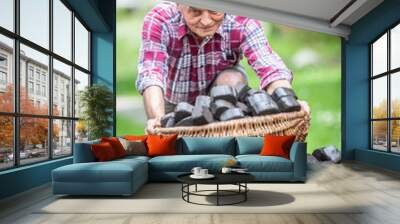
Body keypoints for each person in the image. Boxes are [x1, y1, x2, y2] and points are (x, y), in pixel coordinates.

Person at [136, 1, 310, 134]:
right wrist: (157, 119)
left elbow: (268, 65)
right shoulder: (160, 19)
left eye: (214, 10)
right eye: (195, 10)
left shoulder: (243, 19)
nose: (205, 21)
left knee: (233, 79)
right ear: (179, 5)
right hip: (174, 101)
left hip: (222, 102)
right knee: (173, 148)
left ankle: (229, 136)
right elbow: (152, 71)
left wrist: (288, 102)